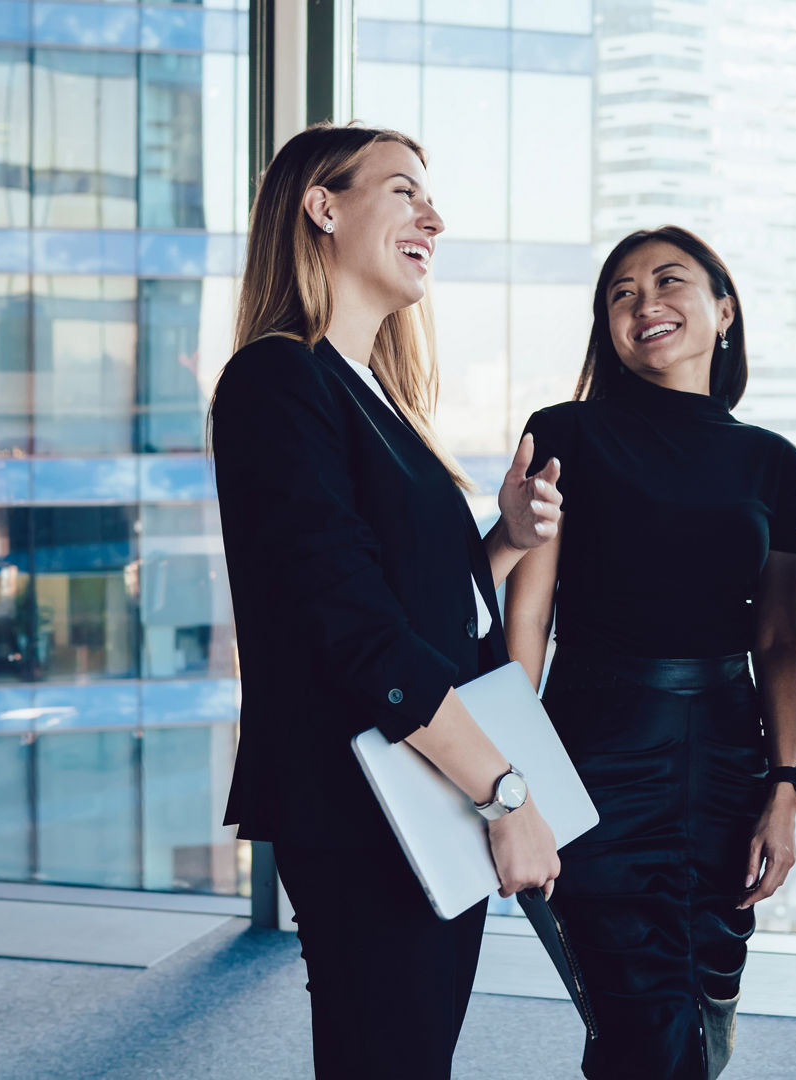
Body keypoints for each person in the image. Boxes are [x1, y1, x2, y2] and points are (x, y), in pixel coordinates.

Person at [208, 122, 563, 1080]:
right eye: (404, 191)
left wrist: (504, 546)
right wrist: (506, 793)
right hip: (369, 800)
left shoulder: (377, 393)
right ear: (323, 207)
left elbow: (414, 603)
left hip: (416, 788)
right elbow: (353, 630)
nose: (432, 217)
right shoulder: (279, 378)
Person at [504, 225, 796, 1079]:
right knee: (639, 1019)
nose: (644, 304)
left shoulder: (776, 464)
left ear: (724, 309)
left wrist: (786, 788)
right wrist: (514, 782)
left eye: (668, 281)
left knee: (702, 1007)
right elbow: (527, 621)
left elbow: (780, 638)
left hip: (725, 757)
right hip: (595, 749)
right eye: (621, 293)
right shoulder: (564, 433)